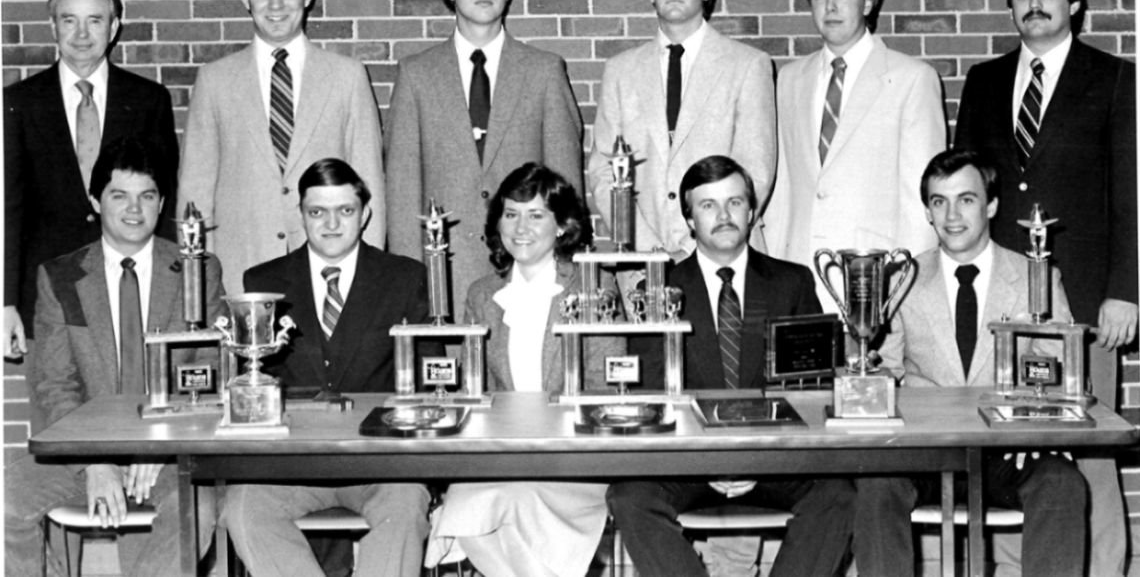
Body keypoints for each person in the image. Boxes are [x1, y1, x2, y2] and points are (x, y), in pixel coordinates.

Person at [954, 0, 1134, 577]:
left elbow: (1130, 193)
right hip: (1000, 302)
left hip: (1085, 303)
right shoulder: (983, 80)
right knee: (1007, 451)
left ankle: (1107, 570)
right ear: (1011, 6)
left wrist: (1126, 289)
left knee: (1086, 453)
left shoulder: (1115, 79)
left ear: (1074, 5)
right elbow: (965, 189)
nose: (1034, 2)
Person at [607, 156, 855, 577]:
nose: (723, 216)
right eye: (708, 206)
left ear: (752, 211)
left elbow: (813, 390)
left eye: (734, 202)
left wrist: (754, 459)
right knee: (629, 497)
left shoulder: (792, 282)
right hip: (691, 465)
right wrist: (710, 459)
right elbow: (652, 393)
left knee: (841, 495)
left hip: (772, 461)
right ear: (689, 219)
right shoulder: (659, 289)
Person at [852, 150, 1087, 577]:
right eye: (939, 201)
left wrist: (1040, 427)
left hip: (1007, 449)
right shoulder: (901, 280)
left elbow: (1060, 372)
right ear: (926, 210)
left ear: (992, 205)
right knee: (874, 482)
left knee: (1063, 481)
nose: (952, 215)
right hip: (922, 451)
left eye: (966, 199)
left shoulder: (1035, 276)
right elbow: (884, 370)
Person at [4, 137, 222, 577]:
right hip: (84, 450)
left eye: (147, 197)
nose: (134, 210)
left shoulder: (196, 270)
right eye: (119, 195)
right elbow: (53, 384)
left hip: (171, 451)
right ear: (95, 200)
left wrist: (162, 446)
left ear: (162, 204)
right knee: (5, 497)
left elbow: (209, 375)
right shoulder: (60, 277)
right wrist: (94, 459)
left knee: (194, 510)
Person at [224, 158, 433, 577]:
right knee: (243, 507)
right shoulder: (263, 282)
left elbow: (430, 379)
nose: (332, 223)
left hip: (382, 465)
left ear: (366, 214)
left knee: (408, 508)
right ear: (300, 215)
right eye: (317, 211)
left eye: (346, 210)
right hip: (289, 466)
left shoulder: (405, 277)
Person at [426, 162, 624, 577]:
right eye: (511, 213)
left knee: (507, 507)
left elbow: (607, 386)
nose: (521, 227)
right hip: (500, 458)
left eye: (536, 215)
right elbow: (471, 390)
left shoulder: (595, 287)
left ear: (563, 226)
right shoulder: (481, 294)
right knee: (471, 508)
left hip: (574, 459)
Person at [385, 0, 583, 321]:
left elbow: (565, 188)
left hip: (529, 271)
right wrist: (412, 283)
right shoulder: (416, 75)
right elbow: (402, 191)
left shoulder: (544, 71)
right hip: (444, 277)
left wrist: (563, 271)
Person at [178, 0, 385, 294]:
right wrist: (200, 283)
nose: (276, 5)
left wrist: (369, 278)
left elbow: (369, 186)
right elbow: (195, 192)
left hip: (331, 271)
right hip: (240, 270)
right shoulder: (214, 80)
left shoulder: (348, 76)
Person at [4, 0, 178, 372]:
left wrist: (172, 295)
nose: (81, 33)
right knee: (56, 417)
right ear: (53, 26)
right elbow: (8, 208)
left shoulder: (148, 100)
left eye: (95, 20)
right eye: (69, 20)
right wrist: (5, 301)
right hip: (49, 296)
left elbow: (162, 200)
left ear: (114, 26)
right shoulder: (17, 104)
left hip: (135, 289)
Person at [764, 0, 946, 309]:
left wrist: (902, 297)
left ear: (867, 2)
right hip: (795, 280)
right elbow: (780, 190)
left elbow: (921, 203)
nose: (830, 7)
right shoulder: (788, 79)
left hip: (872, 283)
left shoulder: (912, 79)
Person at [589, 0, 775, 257]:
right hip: (644, 263)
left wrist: (700, 250)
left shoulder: (748, 66)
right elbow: (604, 170)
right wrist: (651, 249)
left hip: (723, 259)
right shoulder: (620, 71)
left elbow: (754, 173)